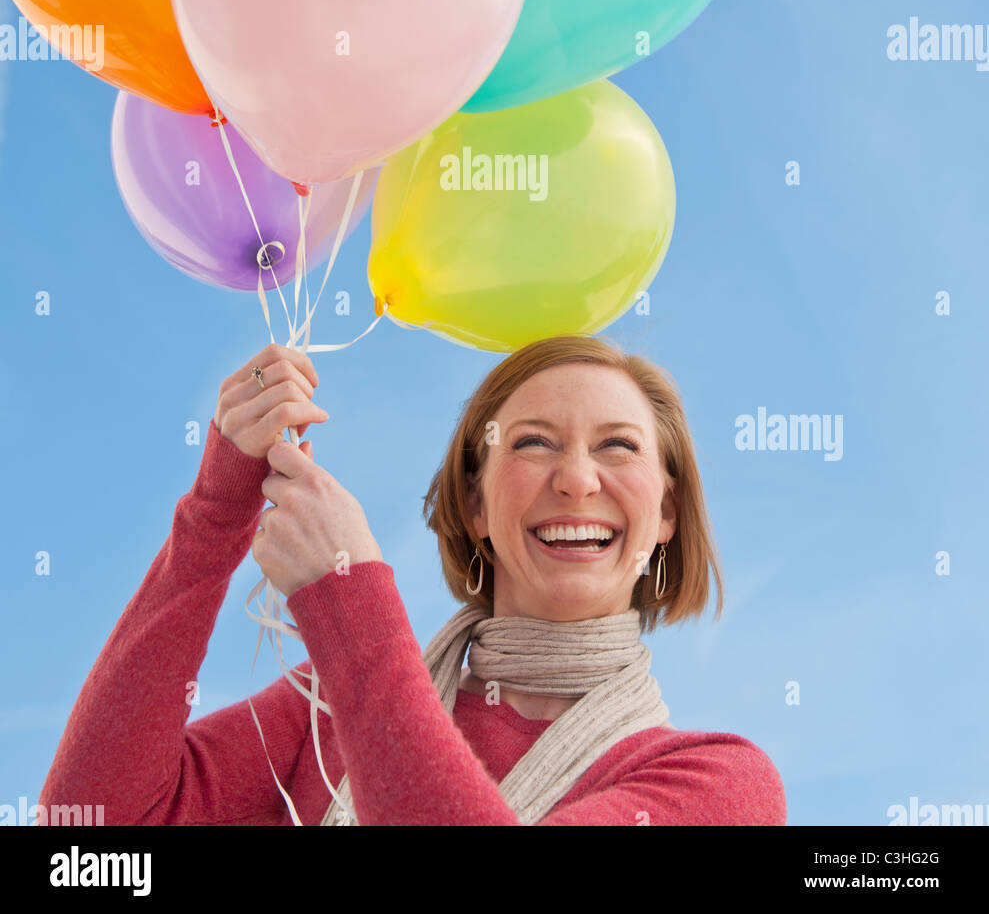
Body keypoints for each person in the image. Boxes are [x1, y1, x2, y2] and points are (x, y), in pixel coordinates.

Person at [38, 334, 786, 826]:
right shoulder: (328, 709)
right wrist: (216, 511)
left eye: (618, 447)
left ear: (667, 514)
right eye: (532, 443)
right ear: (474, 503)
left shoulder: (718, 782)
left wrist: (348, 596)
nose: (576, 479)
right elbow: (87, 832)